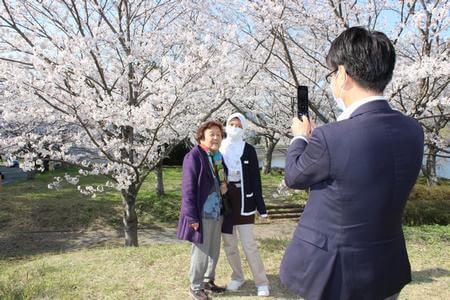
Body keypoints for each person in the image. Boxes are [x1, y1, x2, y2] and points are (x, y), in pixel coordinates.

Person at [280, 27, 424, 300]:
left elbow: (294, 177)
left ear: (343, 74)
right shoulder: (413, 131)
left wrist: (300, 138)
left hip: (338, 274)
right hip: (386, 265)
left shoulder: (331, 136)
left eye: (331, 73)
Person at [176, 120, 233, 300]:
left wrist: (224, 187)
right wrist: (191, 217)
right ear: (202, 136)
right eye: (212, 134)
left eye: (218, 134)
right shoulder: (193, 156)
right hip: (202, 213)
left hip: (217, 211)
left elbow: (221, 179)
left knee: (214, 249)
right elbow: (188, 189)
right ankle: (195, 286)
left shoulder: (217, 156)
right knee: (201, 250)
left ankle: (208, 281)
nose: (216, 138)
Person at [220, 113, 270, 297]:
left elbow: (256, 180)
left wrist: (261, 207)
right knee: (229, 244)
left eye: (239, 125)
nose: (234, 128)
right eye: (231, 124)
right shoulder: (219, 148)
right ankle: (237, 277)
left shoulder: (249, 150)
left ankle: (261, 282)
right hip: (225, 202)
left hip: (245, 201)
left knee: (249, 245)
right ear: (226, 125)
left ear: (244, 129)